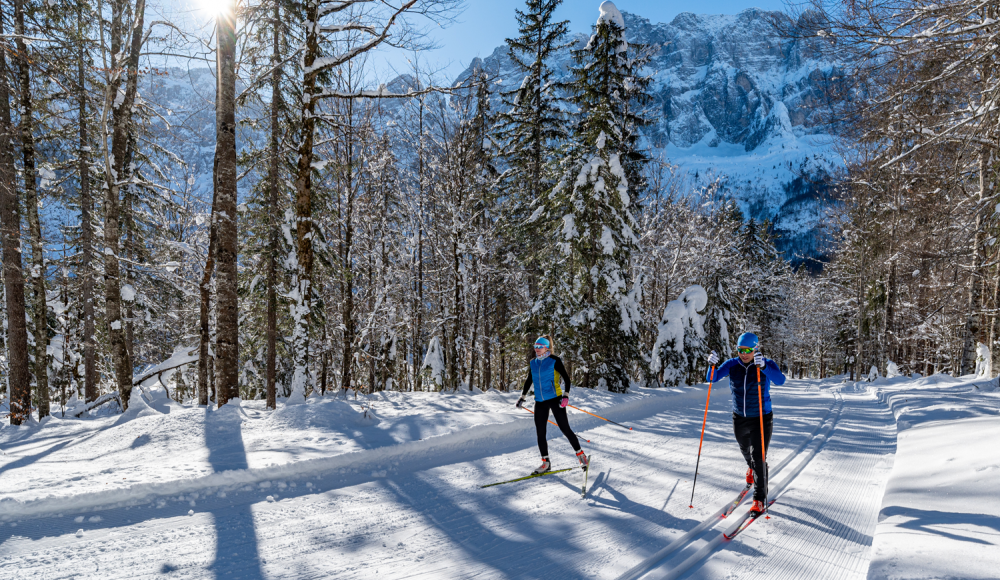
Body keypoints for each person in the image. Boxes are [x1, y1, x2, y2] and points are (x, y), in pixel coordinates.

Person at [706, 332, 786, 515]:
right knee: (745, 450)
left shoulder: (766, 364)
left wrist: (764, 367)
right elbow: (712, 378)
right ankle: (752, 468)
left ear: (756, 348)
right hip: (739, 417)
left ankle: (758, 499)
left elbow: (780, 380)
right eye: (741, 350)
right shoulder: (732, 365)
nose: (744, 353)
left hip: (761, 418)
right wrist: (711, 365)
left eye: (748, 350)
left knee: (759, 458)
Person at [516, 336, 588, 474]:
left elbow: (566, 379)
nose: (537, 349)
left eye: (540, 347)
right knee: (540, 432)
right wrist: (522, 397)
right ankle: (546, 462)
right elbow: (529, 380)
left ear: (546, 348)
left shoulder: (554, 360)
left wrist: (566, 395)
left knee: (565, 428)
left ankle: (581, 455)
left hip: (555, 398)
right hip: (540, 401)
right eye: (535, 347)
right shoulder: (533, 362)